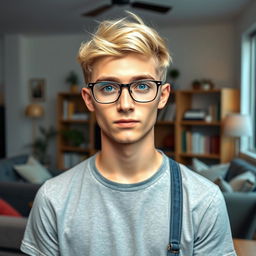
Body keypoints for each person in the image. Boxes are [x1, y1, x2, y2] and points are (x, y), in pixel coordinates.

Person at [21, 12, 236, 256]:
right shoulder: (53, 199)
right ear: (89, 99)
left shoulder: (203, 200)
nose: (125, 104)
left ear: (162, 96)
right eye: (108, 87)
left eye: (142, 86)